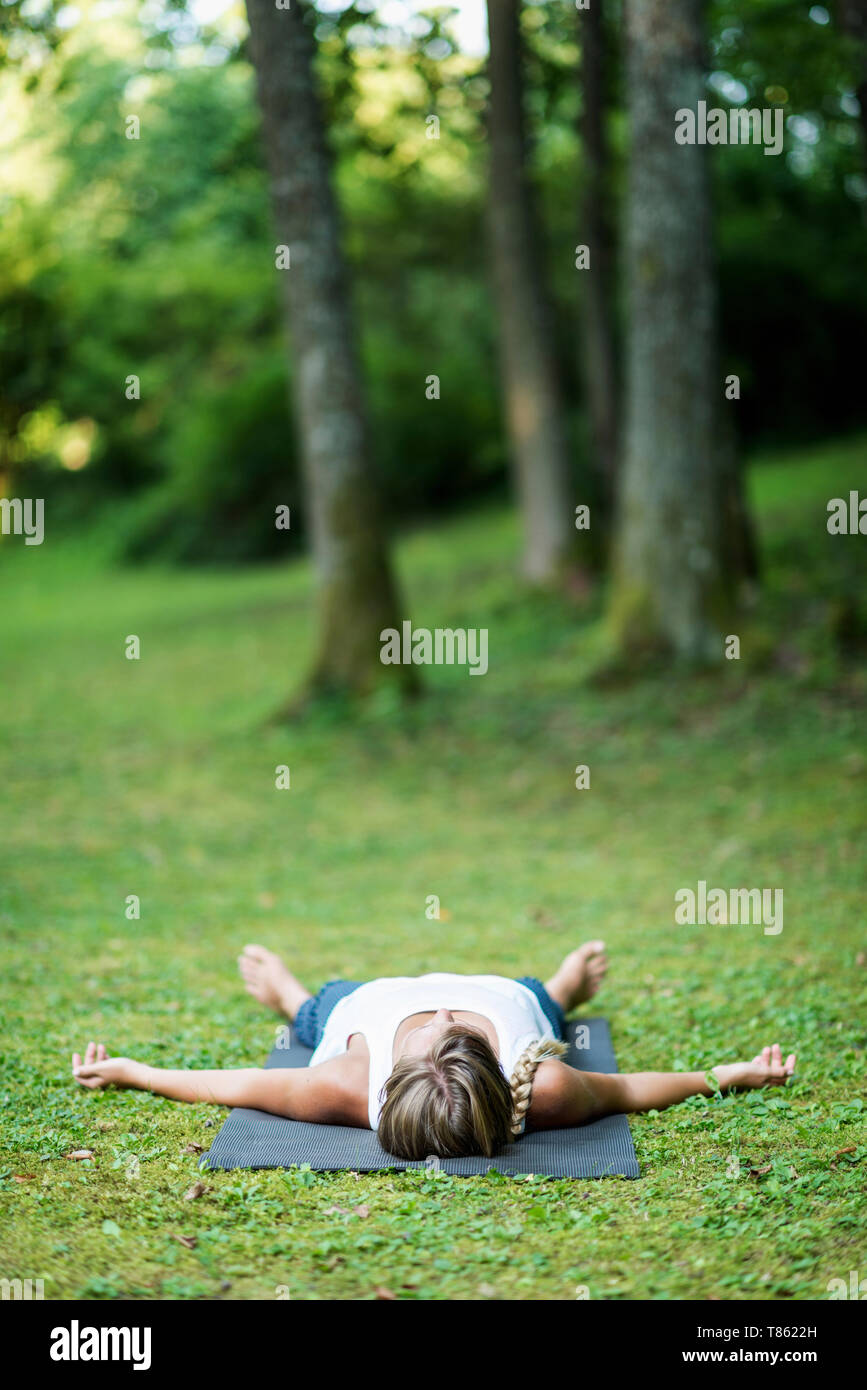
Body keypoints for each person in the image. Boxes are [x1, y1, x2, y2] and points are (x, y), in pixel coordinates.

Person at [72, 941, 796, 1159]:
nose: (443, 1010)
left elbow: (230, 1085)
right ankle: (560, 987)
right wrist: (724, 1075)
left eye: (434, 1031)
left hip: (358, 1001)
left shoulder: (344, 1082)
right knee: (544, 1001)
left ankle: (289, 996)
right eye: (454, 1032)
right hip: (512, 993)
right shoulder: (543, 1086)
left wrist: (134, 1070)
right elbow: (631, 1087)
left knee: (314, 1015)